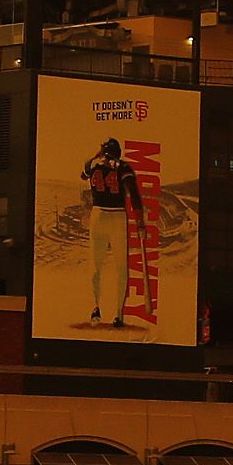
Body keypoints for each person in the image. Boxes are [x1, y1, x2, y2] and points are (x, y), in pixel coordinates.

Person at [81, 136, 144, 325]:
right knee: (120, 267)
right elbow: (133, 193)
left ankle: (95, 308)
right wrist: (140, 220)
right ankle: (117, 313)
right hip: (117, 216)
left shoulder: (93, 164)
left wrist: (97, 154)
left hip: (98, 215)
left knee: (95, 265)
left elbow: (83, 174)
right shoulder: (123, 167)